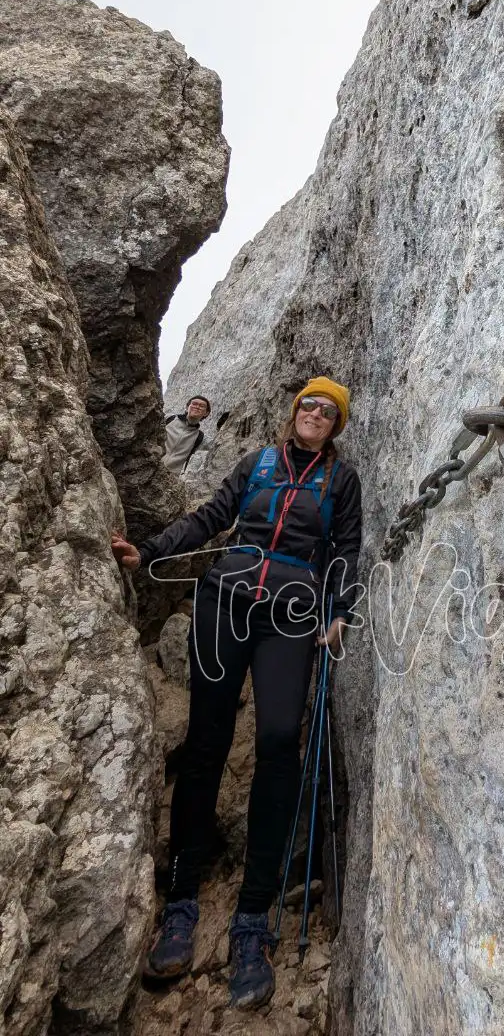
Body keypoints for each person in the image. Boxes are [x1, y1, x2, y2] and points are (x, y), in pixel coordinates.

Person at [112, 377, 361, 1010]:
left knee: (279, 741)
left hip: (293, 615)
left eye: (328, 410)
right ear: (294, 410)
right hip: (224, 601)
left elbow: (346, 550)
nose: (315, 413)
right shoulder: (257, 464)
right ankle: (182, 902)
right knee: (206, 742)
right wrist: (151, 550)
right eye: (309, 403)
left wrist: (341, 612)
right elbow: (210, 518)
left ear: (337, 425)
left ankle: (253, 920)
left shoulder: (341, 481)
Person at [163, 395, 211, 473]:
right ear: (187, 407)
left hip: (169, 476)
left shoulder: (200, 437)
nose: (197, 407)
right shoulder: (168, 419)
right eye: (194, 404)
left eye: (201, 406)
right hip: (149, 464)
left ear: (206, 413)